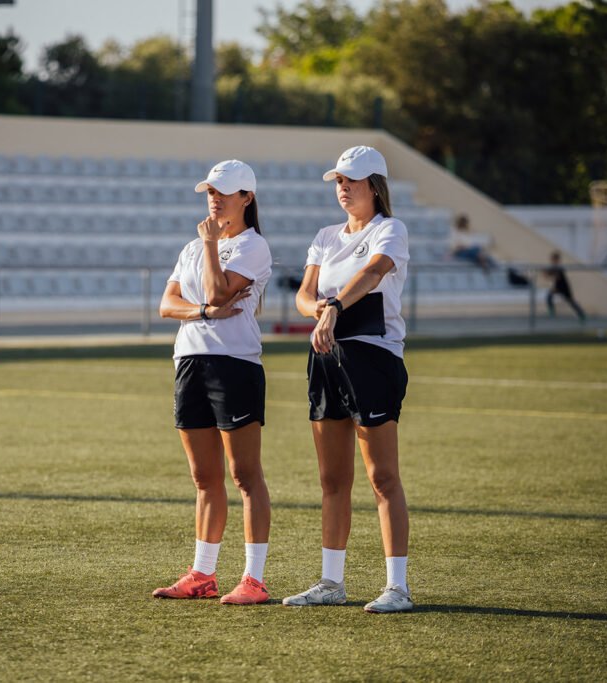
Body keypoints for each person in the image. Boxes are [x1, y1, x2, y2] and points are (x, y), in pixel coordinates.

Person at [282, 146, 413, 613]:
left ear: (374, 186)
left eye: (350, 181)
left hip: (373, 358)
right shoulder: (324, 236)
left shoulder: (389, 229)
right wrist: (317, 308)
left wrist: (335, 306)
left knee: (383, 477)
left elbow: (374, 272)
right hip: (325, 358)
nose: (342, 188)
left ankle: (397, 587)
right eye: (338, 181)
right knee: (332, 478)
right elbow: (303, 295)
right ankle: (331, 582)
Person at [152, 160, 274, 605]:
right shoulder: (191, 247)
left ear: (247, 197)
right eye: (210, 191)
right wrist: (203, 312)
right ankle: (203, 574)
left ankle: (254, 579)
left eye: (224, 191)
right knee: (204, 477)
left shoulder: (253, 246)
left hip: (234, 364)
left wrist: (209, 246)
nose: (215, 198)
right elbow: (167, 305)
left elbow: (220, 290)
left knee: (244, 475)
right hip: (190, 361)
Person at [544, 251, 585, 321]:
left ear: (557, 260)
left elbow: (557, 277)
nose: (552, 262)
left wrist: (548, 276)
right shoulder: (553, 267)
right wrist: (545, 273)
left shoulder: (559, 268)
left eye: (554, 260)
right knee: (549, 296)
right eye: (552, 260)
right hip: (558, 287)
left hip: (564, 288)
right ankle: (551, 311)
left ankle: (582, 315)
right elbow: (548, 274)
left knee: (571, 302)